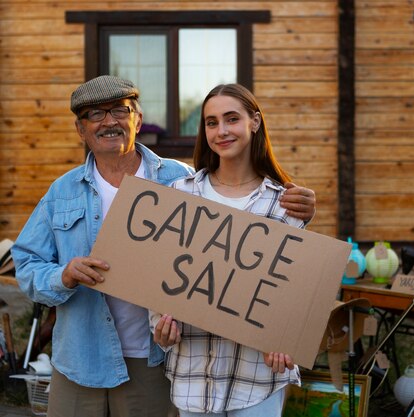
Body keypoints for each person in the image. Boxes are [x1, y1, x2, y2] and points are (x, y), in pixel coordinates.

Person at [11, 75, 316, 417]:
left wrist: (301, 212)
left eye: (119, 111)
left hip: (154, 358)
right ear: (81, 130)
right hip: (83, 356)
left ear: (137, 121)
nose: (109, 121)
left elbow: (241, 233)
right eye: (95, 114)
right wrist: (63, 276)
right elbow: (26, 263)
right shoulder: (62, 191)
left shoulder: (179, 182)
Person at [150, 84, 305, 417]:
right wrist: (160, 326)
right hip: (192, 376)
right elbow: (161, 278)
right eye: (211, 122)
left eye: (231, 119)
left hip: (257, 378)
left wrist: (286, 338)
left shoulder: (284, 204)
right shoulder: (180, 195)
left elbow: (293, 290)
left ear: (255, 122)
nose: (221, 131)